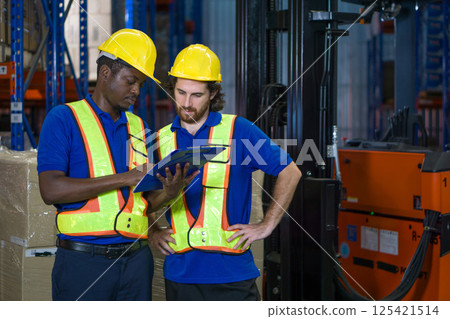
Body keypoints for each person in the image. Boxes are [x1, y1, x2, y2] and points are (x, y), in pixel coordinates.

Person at [37, 29, 196, 301]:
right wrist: (124, 178)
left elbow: (140, 202)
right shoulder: (64, 118)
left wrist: (169, 193)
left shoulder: (138, 128)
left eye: (140, 84)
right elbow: (50, 190)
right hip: (83, 262)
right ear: (106, 73)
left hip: (136, 262)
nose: (136, 90)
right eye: (131, 81)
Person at [149, 44, 302, 301]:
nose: (186, 103)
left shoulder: (239, 130)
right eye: (180, 92)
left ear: (213, 93)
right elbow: (145, 193)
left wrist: (267, 225)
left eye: (196, 95)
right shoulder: (161, 139)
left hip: (233, 276)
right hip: (181, 275)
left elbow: (290, 171)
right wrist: (152, 230)